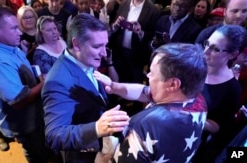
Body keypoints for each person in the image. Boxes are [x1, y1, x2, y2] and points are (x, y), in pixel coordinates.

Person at [94, 43, 208, 162]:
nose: (148, 75)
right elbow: (145, 92)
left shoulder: (142, 126)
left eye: (152, 73)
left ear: (173, 84)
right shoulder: (197, 100)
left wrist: (102, 158)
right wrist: (114, 86)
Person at [41, 13, 129, 163]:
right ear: (76, 44)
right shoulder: (57, 81)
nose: (104, 53)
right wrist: (97, 128)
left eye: (105, 45)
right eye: (97, 46)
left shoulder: (84, 59)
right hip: (84, 156)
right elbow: (54, 136)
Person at [0, 6, 51, 162]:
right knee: (35, 153)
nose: (20, 32)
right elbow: (19, 101)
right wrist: (45, 83)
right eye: (14, 28)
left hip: (36, 115)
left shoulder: (11, 47)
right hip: (24, 123)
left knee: (42, 147)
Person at [192, 25, 247, 163]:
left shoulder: (232, 89)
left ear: (233, 54)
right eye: (207, 44)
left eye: (215, 49)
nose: (205, 52)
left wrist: (187, 115)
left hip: (193, 142)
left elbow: (216, 127)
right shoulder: (195, 67)